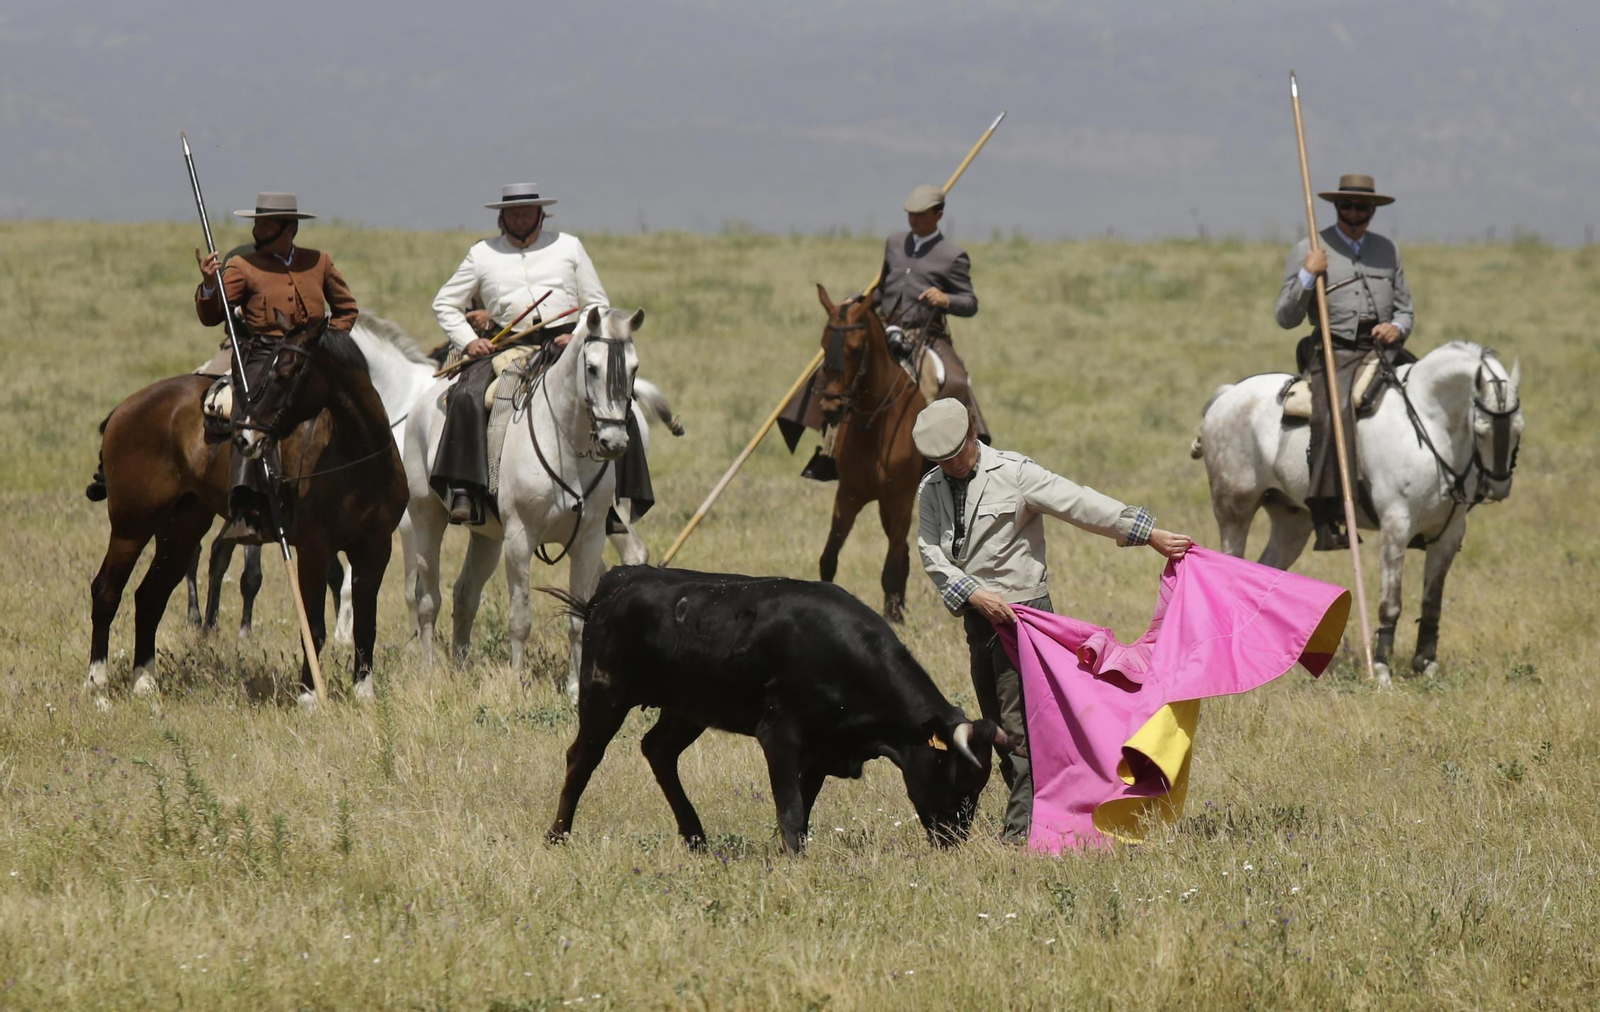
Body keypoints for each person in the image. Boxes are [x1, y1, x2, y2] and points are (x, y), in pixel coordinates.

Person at [912, 399, 1192, 843]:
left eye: (956, 456)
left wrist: (1148, 533)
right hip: (979, 620)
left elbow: (1079, 503)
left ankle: (1022, 832)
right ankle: (1038, 810)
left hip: (1025, 622)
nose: (952, 467)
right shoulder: (931, 489)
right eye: (942, 462)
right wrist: (973, 593)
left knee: (1021, 727)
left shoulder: (1014, 472)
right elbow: (929, 551)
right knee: (999, 727)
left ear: (972, 436)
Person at [430, 182, 651, 526]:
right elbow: (445, 303)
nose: (520, 218)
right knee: (465, 394)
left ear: (540, 215)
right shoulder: (482, 254)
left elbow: (596, 302)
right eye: (513, 213)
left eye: (526, 212)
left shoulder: (569, 247)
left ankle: (616, 499)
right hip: (508, 346)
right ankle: (465, 489)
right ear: (501, 219)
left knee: (619, 400)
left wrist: (576, 337)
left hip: (565, 344)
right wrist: (469, 341)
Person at [785, 183, 988, 481]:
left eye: (920, 215)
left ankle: (947, 457)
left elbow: (970, 303)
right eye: (910, 214)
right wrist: (857, 302)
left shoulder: (953, 256)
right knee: (836, 372)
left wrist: (946, 299)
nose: (913, 220)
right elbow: (882, 290)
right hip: (883, 327)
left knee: (954, 380)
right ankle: (829, 451)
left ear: (938, 214)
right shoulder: (894, 243)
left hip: (925, 335)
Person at [193, 191, 360, 541]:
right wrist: (209, 284)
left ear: (289, 227)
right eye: (257, 223)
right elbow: (212, 315)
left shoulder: (319, 262)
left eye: (266, 224)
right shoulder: (242, 266)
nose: (257, 230)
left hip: (312, 354)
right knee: (252, 409)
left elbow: (347, 310)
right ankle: (245, 505)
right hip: (262, 355)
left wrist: (329, 341)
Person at [1274, 173, 1414, 550]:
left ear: (1372, 210)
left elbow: (1406, 309)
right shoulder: (1311, 247)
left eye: (1363, 206)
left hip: (1382, 350)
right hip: (1333, 351)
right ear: (1337, 207)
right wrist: (1308, 274)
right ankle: (1326, 512)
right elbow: (1285, 317)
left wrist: (1397, 328)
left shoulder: (1389, 250)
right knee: (1331, 413)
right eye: (1348, 205)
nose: (1355, 212)